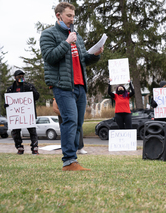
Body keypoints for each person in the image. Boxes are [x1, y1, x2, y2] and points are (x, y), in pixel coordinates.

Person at [40, 2, 104, 171]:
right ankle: (69, 161)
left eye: (73, 16)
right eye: (69, 15)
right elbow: (49, 57)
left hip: (80, 86)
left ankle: (73, 159)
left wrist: (95, 54)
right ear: (58, 15)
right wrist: (67, 42)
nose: (72, 19)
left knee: (77, 124)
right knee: (69, 121)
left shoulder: (77, 36)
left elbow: (84, 59)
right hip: (62, 86)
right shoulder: (48, 34)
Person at [4, 70, 40, 155]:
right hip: (16, 115)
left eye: (22, 76)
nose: (21, 78)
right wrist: (6, 105)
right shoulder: (10, 89)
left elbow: (37, 97)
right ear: (15, 77)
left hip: (27, 114)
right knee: (15, 132)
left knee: (33, 132)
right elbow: (8, 102)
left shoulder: (29, 86)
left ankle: (34, 148)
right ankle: (19, 147)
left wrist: (33, 91)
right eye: (19, 76)